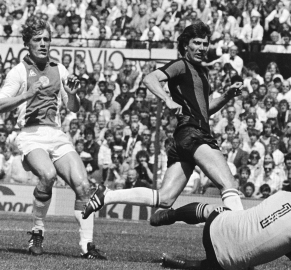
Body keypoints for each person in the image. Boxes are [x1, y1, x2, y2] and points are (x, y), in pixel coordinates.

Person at [82, 21, 244, 220]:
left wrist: (227, 96)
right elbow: (150, 78)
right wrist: (166, 99)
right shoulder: (181, 65)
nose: (202, 48)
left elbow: (205, 109)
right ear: (186, 45)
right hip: (194, 133)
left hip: (185, 136)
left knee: (165, 198)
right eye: (197, 43)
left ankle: (107, 195)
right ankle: (244, 234)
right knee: (229, 185)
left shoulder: (203, 72)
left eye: (205, 43)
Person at [0, 16, 105, 260]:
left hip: (56, 134)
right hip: (30, 135)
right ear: (28, 44)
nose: (43, 43)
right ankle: (37, 230)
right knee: (48, 175)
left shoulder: (59, 69)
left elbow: (73, 107)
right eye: (38, 39)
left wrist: (74, 95)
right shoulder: (19, 71)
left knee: (84, 185)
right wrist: (26, 95)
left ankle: (87, 246)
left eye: (46, 39)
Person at [157, 175, 291, 270]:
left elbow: (279, 227)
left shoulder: (284, 195)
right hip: (228, 264)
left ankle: (170, 215)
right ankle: (185, 263)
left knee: (216, 210)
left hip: (215, 227)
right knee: (242, 268)